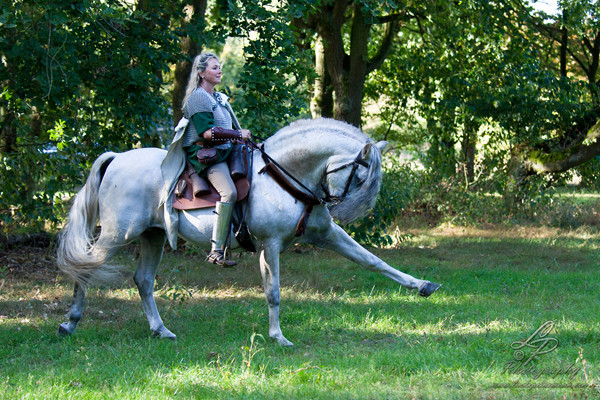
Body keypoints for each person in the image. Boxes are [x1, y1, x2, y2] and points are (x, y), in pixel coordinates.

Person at [181, 52, 251, 267]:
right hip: (207, 155)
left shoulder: (218, 98)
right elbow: (207, 133)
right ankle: (216, 250)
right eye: (214, 67)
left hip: (226, 151)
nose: (219, 70)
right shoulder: (198, 97)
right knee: (228, 192)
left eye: (219, 66)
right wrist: (238, 135)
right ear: (201, 73)